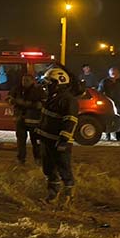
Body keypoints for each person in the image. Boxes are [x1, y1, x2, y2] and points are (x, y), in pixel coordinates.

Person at [36, 66, 80, 204]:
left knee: (64, 169)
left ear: (57, 84)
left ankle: (68, 197)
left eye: (49, 83)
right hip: (47, 140)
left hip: (59, 142)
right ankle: (52, 195)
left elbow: (70, 121)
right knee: (49, 169)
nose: (45, 86)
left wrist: (64, 140)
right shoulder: (52, 97)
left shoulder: (68, 100)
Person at [7, 73, 44, 163]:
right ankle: (21, 158)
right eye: (23, 80)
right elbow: (9, 98)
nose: (24, 82)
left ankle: (38, 158)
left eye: (27, 80)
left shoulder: (38, 90)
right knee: (21, 141)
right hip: (20, 119)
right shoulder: (17, 89)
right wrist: (12, 101)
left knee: (35, 141)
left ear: (32, 81)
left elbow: (41, 104)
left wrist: (25, 103)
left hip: (33, 120)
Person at [97, 67, 120, 141]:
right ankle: (107, 135)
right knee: (108, 119)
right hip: (109, 104)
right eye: (117, 73)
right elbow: (99, 92)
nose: (119, 74)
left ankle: (118, 135)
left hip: (118, 103)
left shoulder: (118, 82)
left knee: (118, 119)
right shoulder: (104, 82)